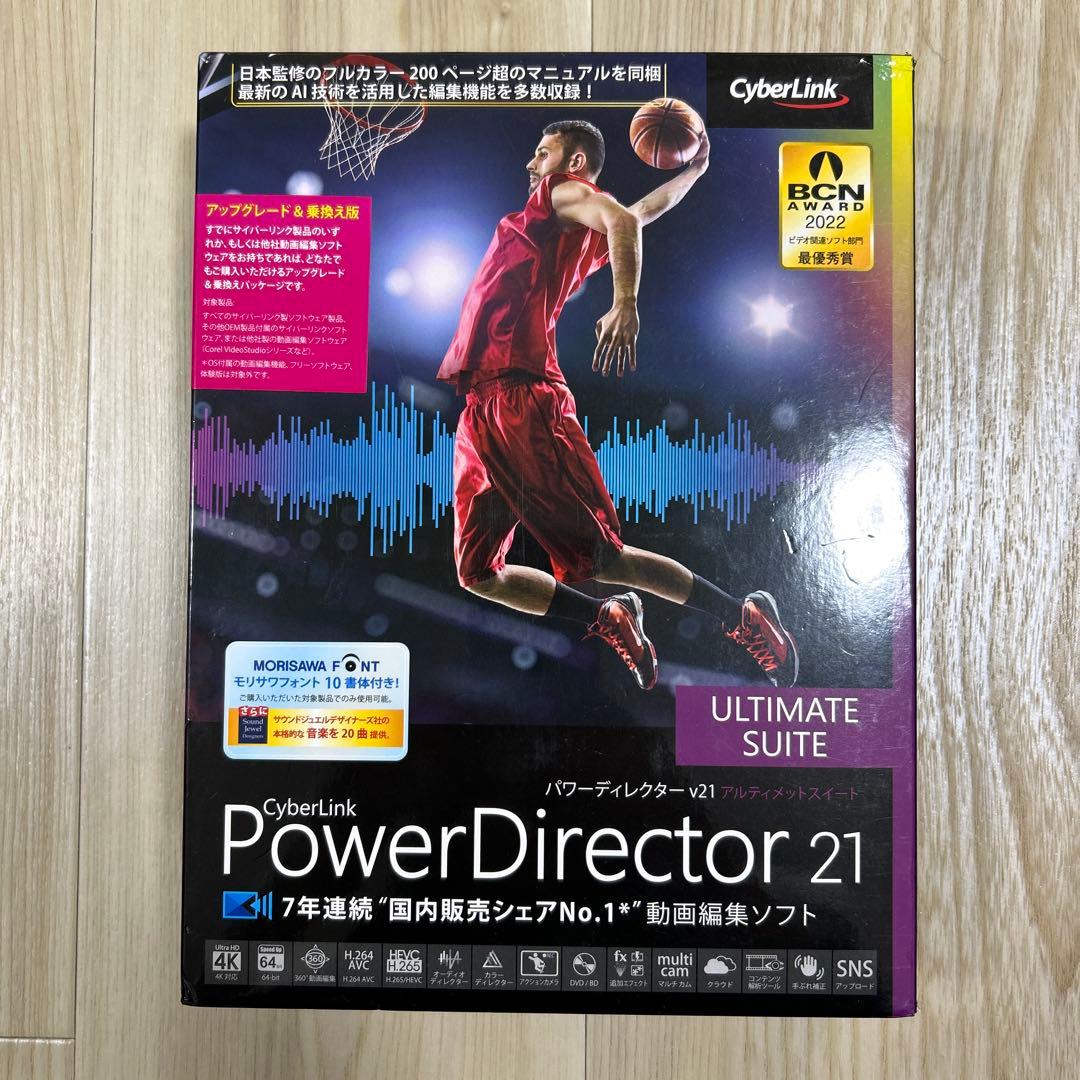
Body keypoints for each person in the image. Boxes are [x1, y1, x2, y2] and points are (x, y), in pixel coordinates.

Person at [436, 119, 797, 689]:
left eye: (542, 152)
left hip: (521, 400)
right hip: (480, 411)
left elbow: (624, 220)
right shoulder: (562, 230)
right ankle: (608, 616)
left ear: (574, 163)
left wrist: (625, 301)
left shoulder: (557, 194)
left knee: (605, 560)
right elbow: (640, 212)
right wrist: (693, 172)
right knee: (478, 573)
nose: (531, 163)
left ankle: (742, 616)